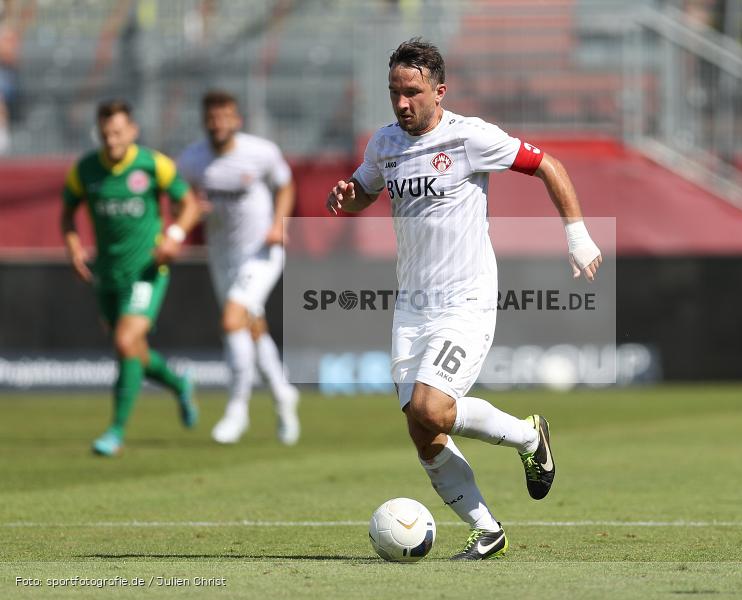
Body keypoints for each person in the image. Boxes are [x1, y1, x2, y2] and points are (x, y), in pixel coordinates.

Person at [326, 38, 601, 560]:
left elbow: (548, 165)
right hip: (411, 308)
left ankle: (527, 436)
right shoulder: (384, 144)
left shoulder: (470, 137)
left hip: (465, 301)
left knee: (434, 405)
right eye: (394, 92)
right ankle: (487, 529)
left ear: (439, 91)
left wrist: (577, 235)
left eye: (412, 92)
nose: (402, 103)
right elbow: (365, 188)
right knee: (421, 428)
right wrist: (348, 196)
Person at [61, 99, 201, 456]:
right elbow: (67, 214)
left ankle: (115, 431)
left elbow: (189, 205)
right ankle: (179, 382)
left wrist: (174, 237)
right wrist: (74, 247)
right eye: (106, 133)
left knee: (125, 343)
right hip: (107, 274)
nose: (112, 140)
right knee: (133, 350)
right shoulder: (85, 170)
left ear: (133, 131)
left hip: (147, 271)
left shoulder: (154, 165)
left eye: (119, 132)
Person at [177, 90, 300, 446]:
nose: (218, 124)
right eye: (212, 118)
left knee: (232, 319)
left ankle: (237, 408)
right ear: (205, 121)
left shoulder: (260, 152)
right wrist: (189, 209)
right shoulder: (192, 159)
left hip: (262, 252)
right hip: (223, 255)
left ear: (236, 120)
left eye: (224, 117)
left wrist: (280, 223)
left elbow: (286, 184)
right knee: (252, 326)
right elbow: (179, 196)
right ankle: (282, 394)